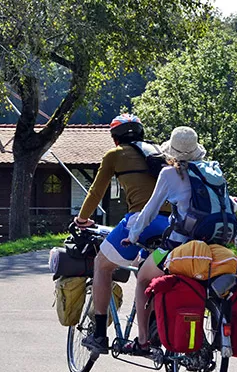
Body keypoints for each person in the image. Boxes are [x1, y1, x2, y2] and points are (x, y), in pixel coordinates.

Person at [73, 114, 171, 354]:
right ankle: (151, 329)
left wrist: (82, 219)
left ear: (115, 138)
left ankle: (98, 335)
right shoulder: (159, 153)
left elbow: (96, 192)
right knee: (144, 266)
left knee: (102, 264)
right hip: (171, 223)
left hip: (141, 220)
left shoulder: (114, 156)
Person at [118, 126, 207, 356]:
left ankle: (143, 341)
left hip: (177, 247)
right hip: (210, 245)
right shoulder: (209, 171)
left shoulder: (169, 174)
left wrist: (133, 235)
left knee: (142, 278)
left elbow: (149, 210)